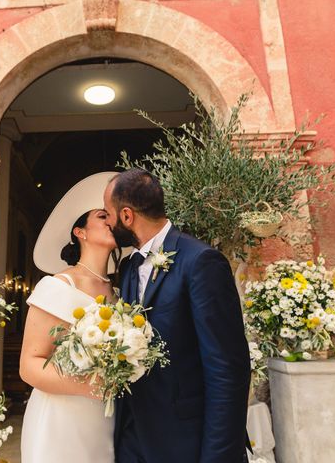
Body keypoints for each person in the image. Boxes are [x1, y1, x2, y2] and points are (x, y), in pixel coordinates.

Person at [103, 168, 251, 463]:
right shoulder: (130, 268)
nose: (107, 222)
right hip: (133, 439)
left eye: (108, 214)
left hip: (185, 443)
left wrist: (217, 457)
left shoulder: (201, 262)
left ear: (127, 216)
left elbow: (228, 370)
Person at [19, 172, 121, 463]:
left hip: (104, 419)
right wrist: (91, 385)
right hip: (61, 420)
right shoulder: (57, 286)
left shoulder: (117, 292)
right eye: (102, 216)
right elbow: (29, 365)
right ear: (81, 232)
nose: (111, 221)